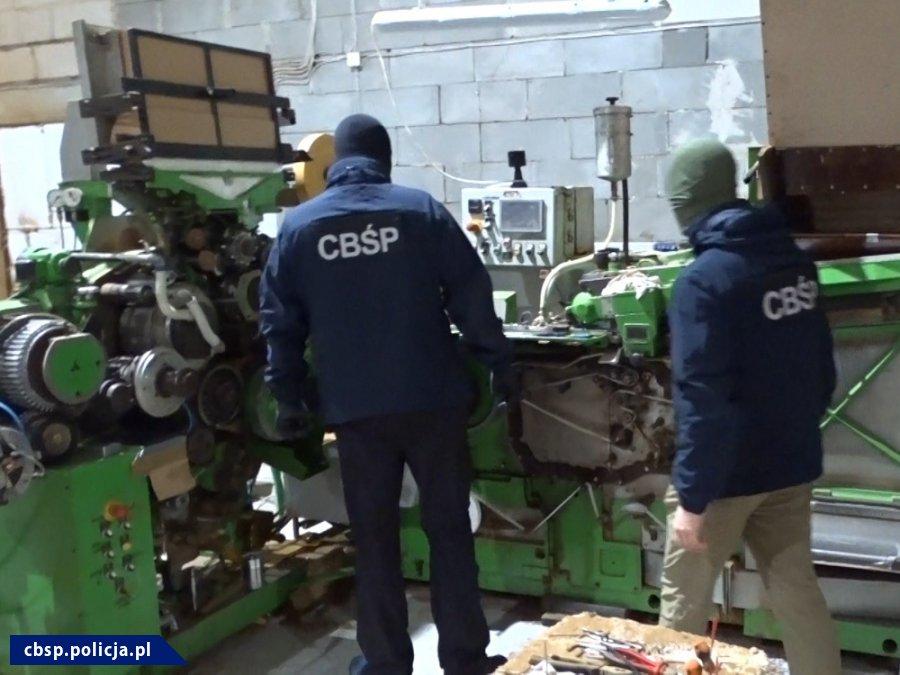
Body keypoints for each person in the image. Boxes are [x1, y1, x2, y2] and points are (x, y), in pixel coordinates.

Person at [260, 114, 512, 675]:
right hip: (433, 403)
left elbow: (279, 324)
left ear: (333, 164)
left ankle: (386, 664)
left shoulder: (300, 228)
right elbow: (472, 295)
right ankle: (466, 660)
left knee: (374, 542)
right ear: (385, 158)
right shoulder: (420, 211)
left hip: (357, 413)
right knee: (450, 533)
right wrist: (498, 362)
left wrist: (288, 397)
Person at [659, 139, 841, 675]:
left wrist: (692, 499)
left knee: (681, 609)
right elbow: (821, 370)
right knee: (797, 594)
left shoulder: (703, 281)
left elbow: (702, 399)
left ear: (686, 203)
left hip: (725, 480)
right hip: (791, 464)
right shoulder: (794, 264)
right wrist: (795, 432)